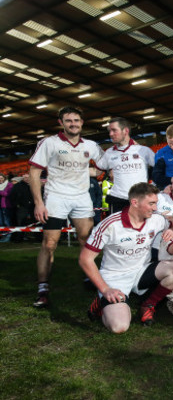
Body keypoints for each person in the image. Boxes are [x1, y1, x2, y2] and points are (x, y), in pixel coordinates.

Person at [80, 183, 173, 333]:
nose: (155, 208)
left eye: (155, 203)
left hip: (141, 272)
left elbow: (170, 220)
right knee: (119, 327)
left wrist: (172, 229)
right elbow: (85, 259)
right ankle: (101, 302)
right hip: (115, 278)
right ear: (135, 202)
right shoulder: (110, 225)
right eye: (151, 203)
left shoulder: (155, 219)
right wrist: (105, 290)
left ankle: (148, 305)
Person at [28, 106, 104, 308]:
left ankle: (90, 277)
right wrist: (39, 203)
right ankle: (43, 287)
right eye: (68, 120)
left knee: (86, 240)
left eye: (76, 120)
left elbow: (106, 162)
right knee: (50, 243)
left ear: (82, 123)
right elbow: (34, 172)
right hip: (56, 198)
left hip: (81, 198)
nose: (73, 124)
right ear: (61, 123)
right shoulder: (49, 143)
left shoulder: (90, 145)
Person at [97, 117, 155, 213]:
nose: (110, 134)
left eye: (114, 130)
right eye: (109, 131)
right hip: (117, 200)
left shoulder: (143, 150)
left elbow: (160, 168)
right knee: (118, 228)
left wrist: (155, 186)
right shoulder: (109, 153)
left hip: (140, 199)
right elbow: (97, 170)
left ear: (126, 131)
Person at [0, 172, 14, 243]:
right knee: (1, 222)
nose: (0, 180)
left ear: (4, 178)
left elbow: (7, 194)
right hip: (1, 207)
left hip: (6, 206)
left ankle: (9, 237)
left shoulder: (9, 185)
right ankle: (3, 236)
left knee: (7, 222)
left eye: (1, 178)